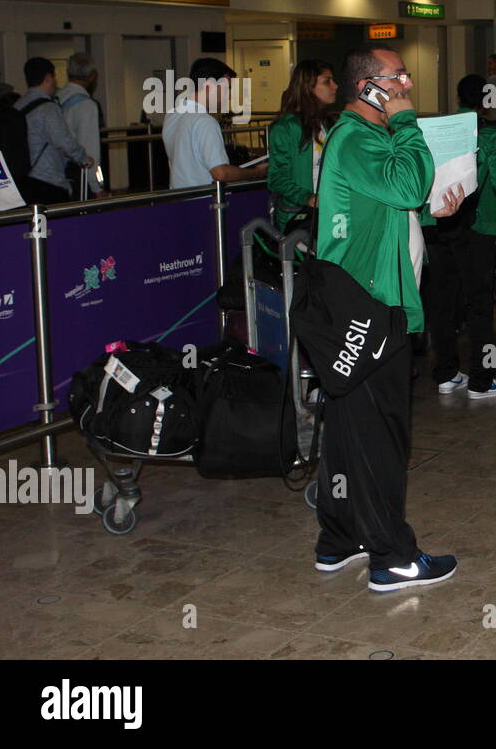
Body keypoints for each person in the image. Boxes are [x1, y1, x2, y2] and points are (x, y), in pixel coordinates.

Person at [313, 42, 463, 591]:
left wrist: (427, 210)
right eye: (397, 78)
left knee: (351, 430)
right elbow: (405, 182)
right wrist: (409, 126)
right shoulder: (358, 135)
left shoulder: (363, 139)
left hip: (368, 299)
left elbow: (390, 199)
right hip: (369, 307)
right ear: (368, 88)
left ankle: (340, 538)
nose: (407, 87)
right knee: (381, 435)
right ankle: (391, 557)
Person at [421, 74, 496, 399]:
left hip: (435, 223)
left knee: (441, 302)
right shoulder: (492, 135)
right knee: (479, 305)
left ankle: (446, 373)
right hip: (478, 227)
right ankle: (482, 379)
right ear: (487, 99)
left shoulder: (435, 131)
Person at [163, 58, 268, 190]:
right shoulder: (205, 122)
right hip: (204, 202)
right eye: (226, 89)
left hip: (180, 199)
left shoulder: (173, 115)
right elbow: (221, 173)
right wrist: (257, 173)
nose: (229, 96)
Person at [267, 59, 339, 231]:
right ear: (308, 87)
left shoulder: (329, 123)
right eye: (327, 81)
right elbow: (276, 177)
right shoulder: (286, 128)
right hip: (302, 216)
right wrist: (308, 198)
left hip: (333, 211)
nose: (335, 86)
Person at [14, 58, 91, 204]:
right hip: (48, 181)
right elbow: (64, 141)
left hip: (23, 180)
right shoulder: (48, 108)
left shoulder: (18, 105)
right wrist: (84, 158)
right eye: (54, 77)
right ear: (48, 78)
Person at [56, 53, 104, 197]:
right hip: (78, 175)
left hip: (56, 170)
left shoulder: (57, 96)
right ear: (92, 76)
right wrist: (97, 187)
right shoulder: (86, 105)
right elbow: (90, 149)